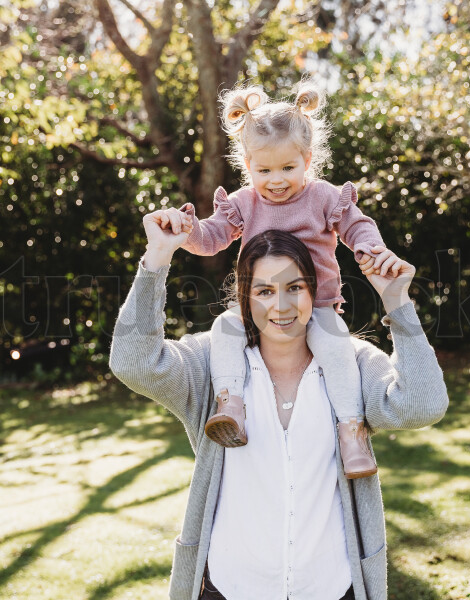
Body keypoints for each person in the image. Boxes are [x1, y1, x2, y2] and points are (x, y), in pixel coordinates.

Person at [110, 221, 448, 600]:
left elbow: (424, 405)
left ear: (314, 290)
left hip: (331, 587)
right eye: (264, 291)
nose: (282, 306)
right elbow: (132, 362)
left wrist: (397, 302)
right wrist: (157, 257)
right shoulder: (211, 364)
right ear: (245, 296)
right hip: (230, 586)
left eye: (295, 288)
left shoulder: (349, 365)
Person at [154, 81, 404, 479]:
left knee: (336, 349)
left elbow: (357, 225)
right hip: (259, 307)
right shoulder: (244, 203)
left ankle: (351, 432)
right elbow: (212, 237)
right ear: (248, 164)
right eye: (264, 170)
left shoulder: (323, 197)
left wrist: (370, 248)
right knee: (225, 330)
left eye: (288, 168)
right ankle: (231, 404)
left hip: (317, 305)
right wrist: (187, 230)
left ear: (307, 159)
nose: (276, 179)